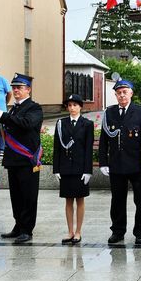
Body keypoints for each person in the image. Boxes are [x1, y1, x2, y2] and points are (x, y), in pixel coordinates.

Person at [99, 80, 141, 245]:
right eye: (119, 92)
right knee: (117, 201)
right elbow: (104, 140)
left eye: (124, 92)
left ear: (131, 93)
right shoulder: (110, 112)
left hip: (136, 165)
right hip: (117, 164)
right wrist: (103, 163)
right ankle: (118, 231)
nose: (122, 95)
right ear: (115, 95)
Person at [0, 73, 43, 244]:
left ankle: (27, 229)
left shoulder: (34, 108)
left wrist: (5, 117)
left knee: (28, 196)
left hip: (27, 160)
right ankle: (18, 225)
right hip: (13, 159)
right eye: (14, 87)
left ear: (28, 90)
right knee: (15, 195)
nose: (15, 90)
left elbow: (26, 124)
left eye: (19, 87)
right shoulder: (14, 108)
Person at [53, 94, 94, 245]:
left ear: (80, 107)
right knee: (68, 201)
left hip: (80, 168)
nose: (72, 108)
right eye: (69, 105)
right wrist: (56, 169)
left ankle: (78, 231)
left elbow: (88, 149)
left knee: (80, 200)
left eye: (75, 105)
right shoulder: (61, 123)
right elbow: (57, 147)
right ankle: (70, 231)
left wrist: (88, 170)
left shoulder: (87, 124)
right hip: (65, 168)